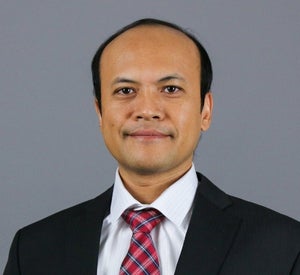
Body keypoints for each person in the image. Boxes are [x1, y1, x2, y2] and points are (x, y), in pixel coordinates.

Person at [4, 18, 300, 275]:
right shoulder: (34, 250)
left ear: (205, 111)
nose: (147, 109)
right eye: (125, 90)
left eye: (171, 89)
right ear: (100, 112)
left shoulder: (283, 247)